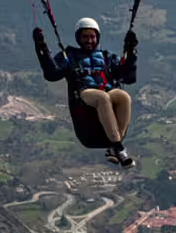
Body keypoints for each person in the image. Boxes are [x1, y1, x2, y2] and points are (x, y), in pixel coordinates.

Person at [35, 17, 140, 167]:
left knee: (123, 96)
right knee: (102, 97)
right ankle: (119, 148)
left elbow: (128, 77)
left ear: (97, 37)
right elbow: (52, 74)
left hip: (106, 94)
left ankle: (114, 145)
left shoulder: (107, 57)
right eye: (85, 37)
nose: (89, 40)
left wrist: (131, 53)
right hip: (83, 95)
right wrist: (42, 50)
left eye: (92, 37)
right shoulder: (70, 56)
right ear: (78, 38)